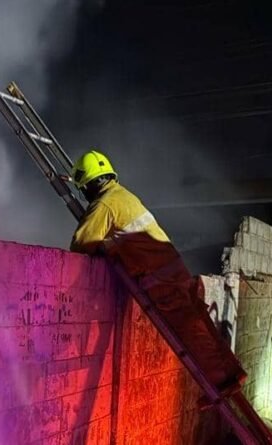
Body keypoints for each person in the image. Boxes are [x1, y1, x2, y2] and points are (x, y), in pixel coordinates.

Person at [69, 149, 245, 391]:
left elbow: (81, 245)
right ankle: (232, 371)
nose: (83, 193)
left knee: (188, 330)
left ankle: (220, 383)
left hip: (159, 277)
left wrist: (103, 248)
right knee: (199, 320)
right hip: (173, 268)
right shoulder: (125, 197)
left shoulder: (104, 205)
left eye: (83, 188)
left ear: (89, 183)